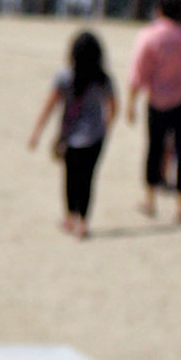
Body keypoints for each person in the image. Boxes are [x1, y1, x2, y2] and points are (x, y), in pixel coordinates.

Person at [29, 30, 119, 239]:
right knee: (88, 179)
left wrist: (37, 133)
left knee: (70, 177)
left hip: (70, 135)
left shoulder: (64, 77)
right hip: (95, 136)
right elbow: (114, 106)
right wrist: (106, 125)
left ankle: (70, 217)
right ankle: (83, 222)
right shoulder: (103, 79)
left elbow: (49, 107)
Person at [126, 0, 181, 224]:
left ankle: (150, 199)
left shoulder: (151, 35)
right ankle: (180, 205)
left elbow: (139, 73)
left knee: (154, 150)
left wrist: (131, 103)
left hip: (158, 102)